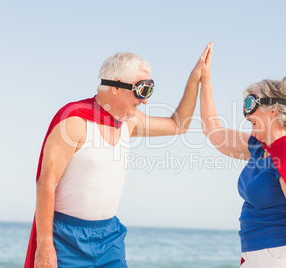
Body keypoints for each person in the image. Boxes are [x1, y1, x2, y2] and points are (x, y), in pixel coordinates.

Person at [24, 42, 213, 268]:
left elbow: (178, 125)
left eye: (149, 90)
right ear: (116, 87)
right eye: (142, 90)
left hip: (110, 238)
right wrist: (44, 246)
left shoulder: (129, 122)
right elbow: (46, 183)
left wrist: (195, 79)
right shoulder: (74, 121)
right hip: (66, 239)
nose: (145, 100)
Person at [199, 44, 286, 267]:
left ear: (274, 110)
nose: (246, 115)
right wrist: (204, 81)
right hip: (254, 255)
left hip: (279, 257)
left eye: (251, 104)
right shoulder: (261, 147)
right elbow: (213, 133)